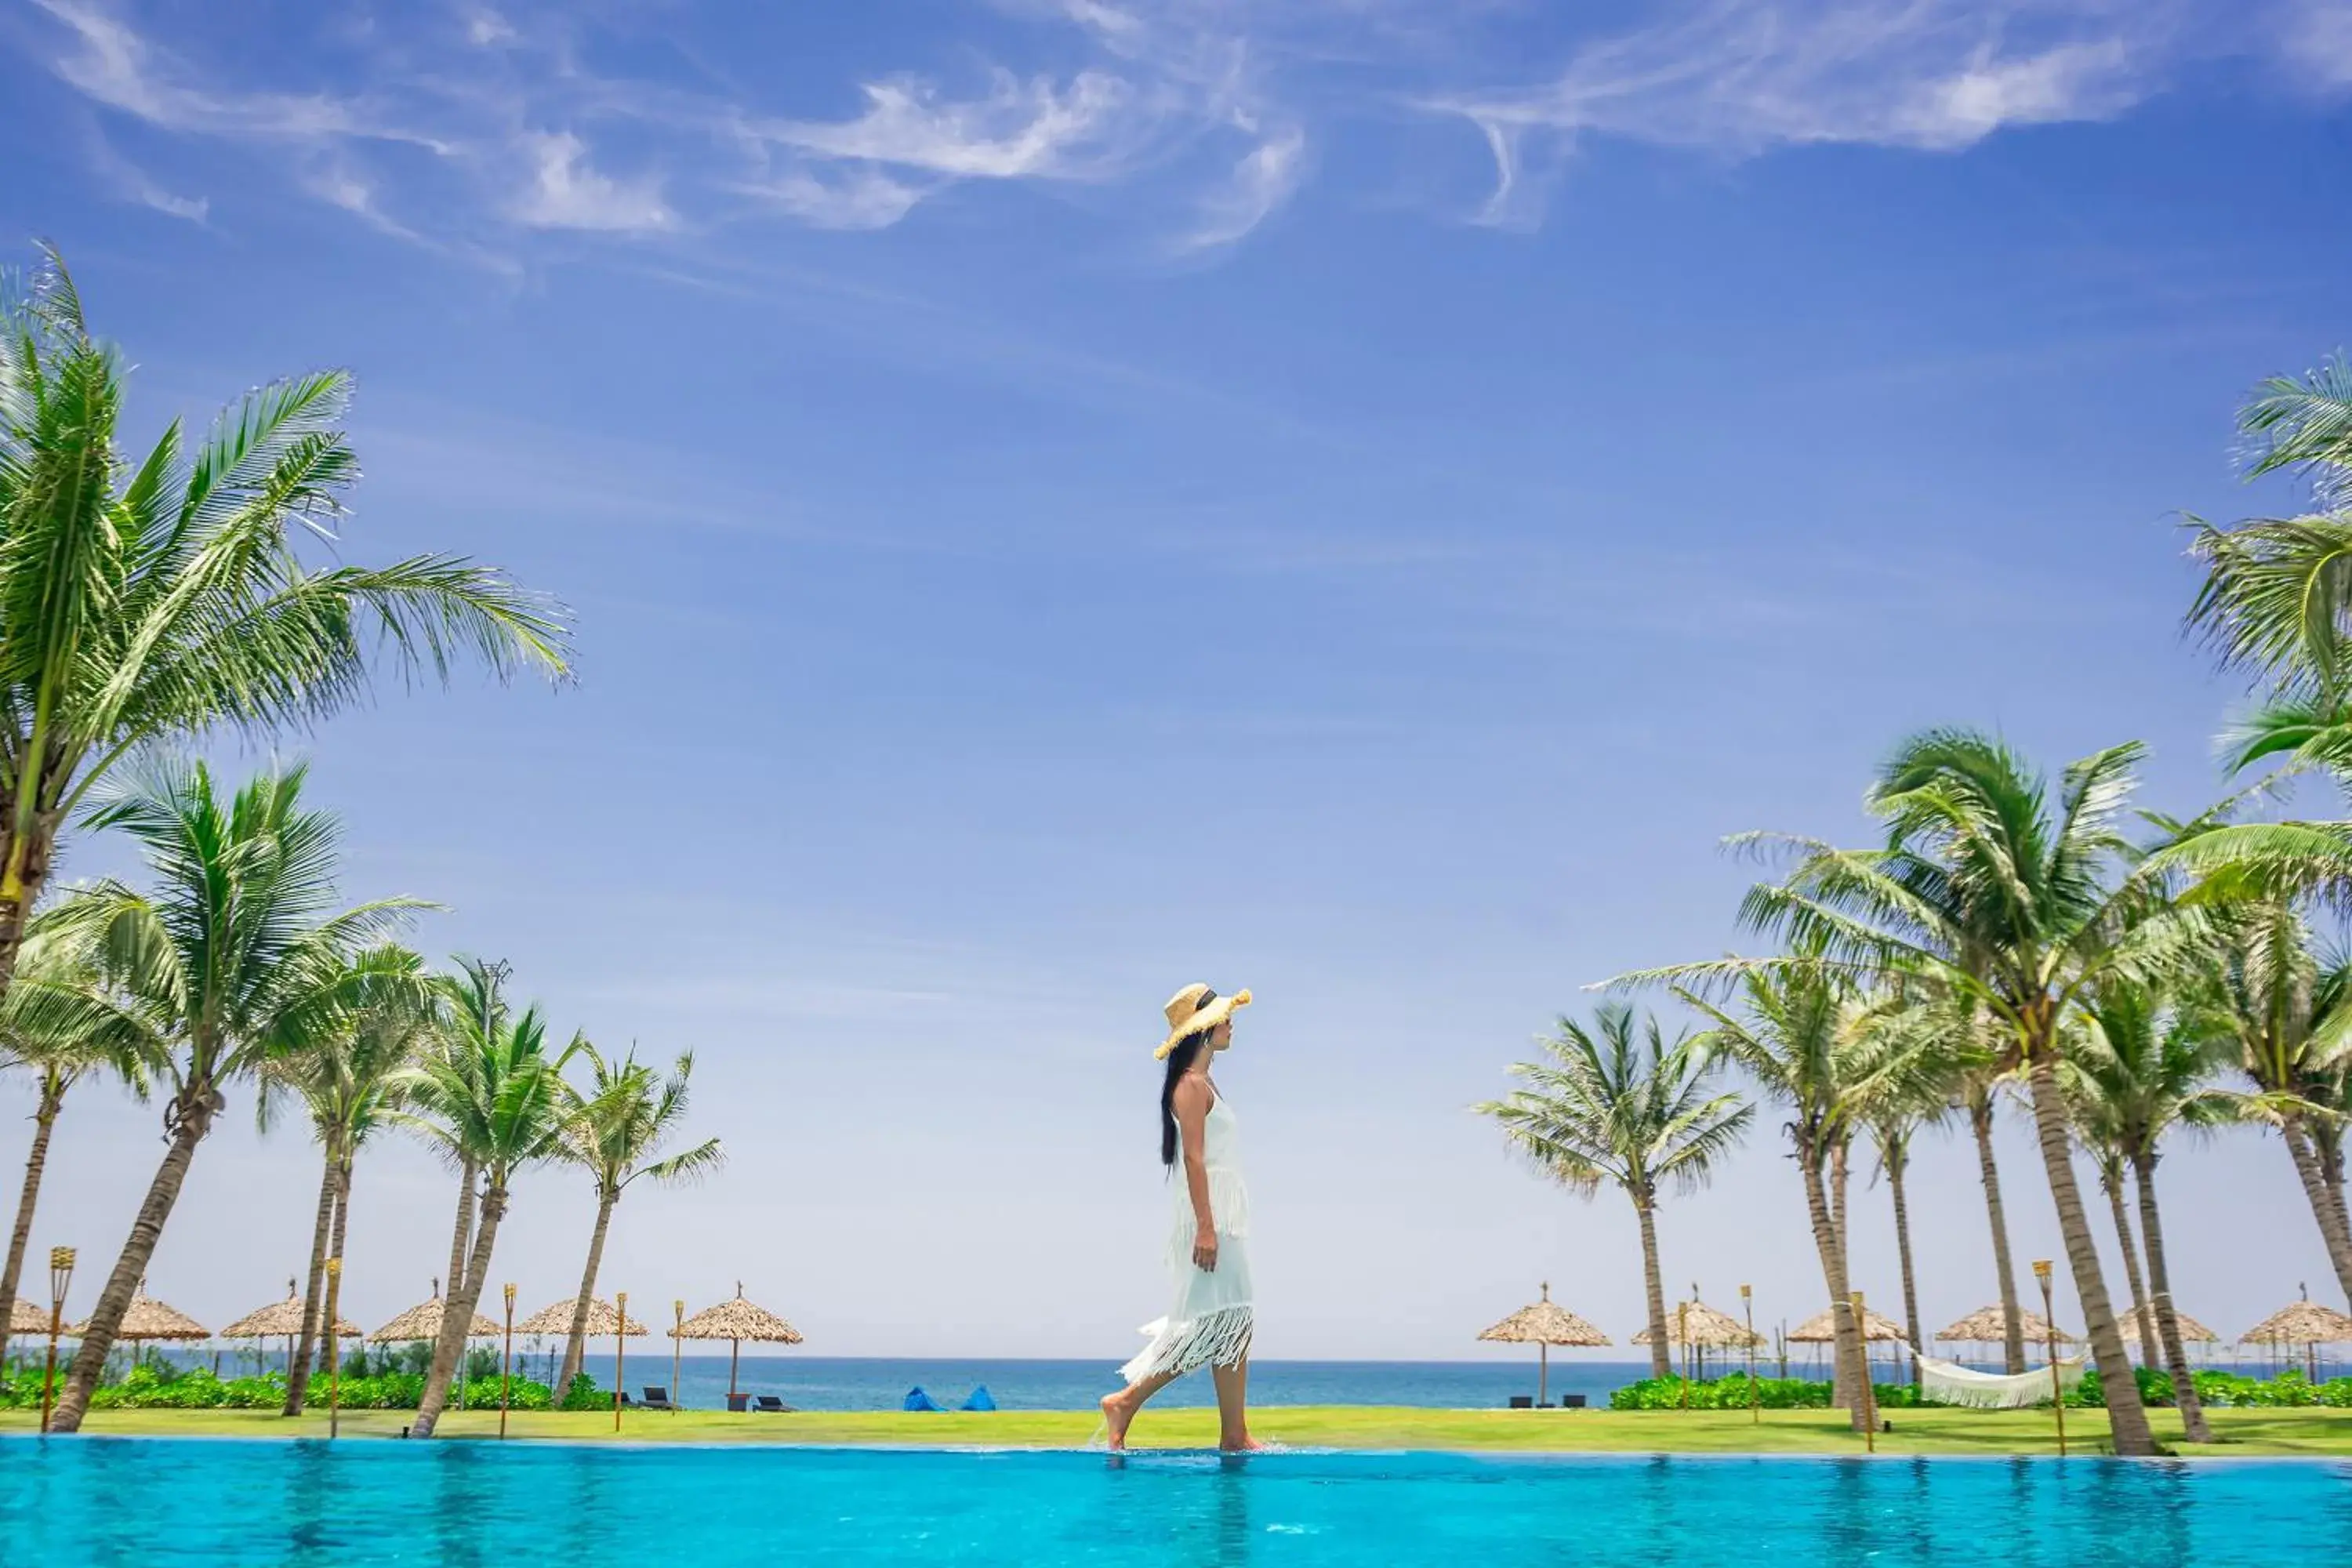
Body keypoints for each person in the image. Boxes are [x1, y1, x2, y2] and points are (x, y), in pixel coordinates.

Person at [1100, 982, 1265, 1453]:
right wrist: (1208, 1228)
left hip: (1222, 1215)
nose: (1232, 1023)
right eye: (1225, 1016)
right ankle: (1127, 1401)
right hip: (1209, 1217)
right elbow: (1194, 1160)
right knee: (1218, 1321)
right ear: (1205, 1028)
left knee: (1230, 1321)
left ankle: (1233, 1433)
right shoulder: (1191, 1086)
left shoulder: (1206, 1082)